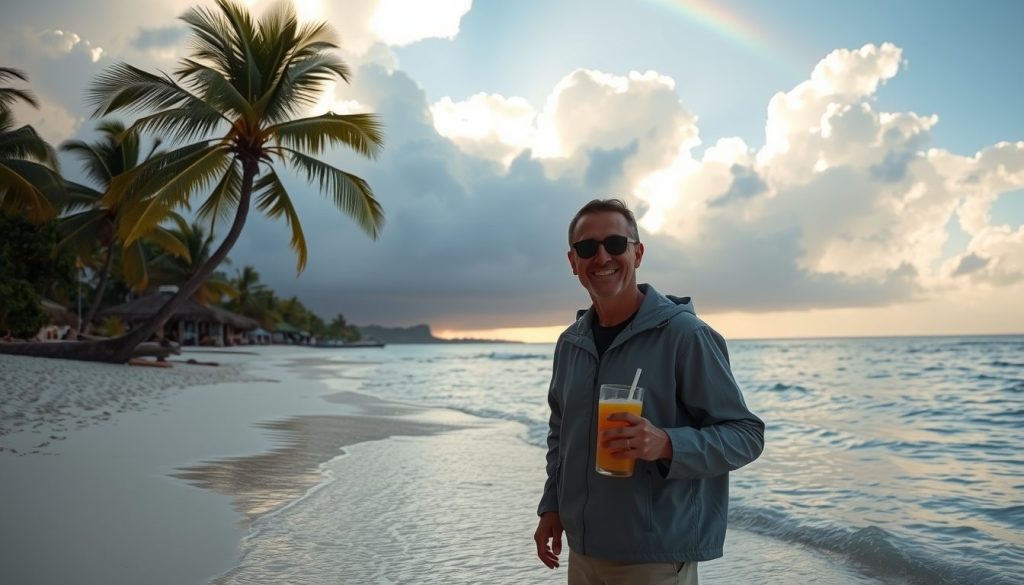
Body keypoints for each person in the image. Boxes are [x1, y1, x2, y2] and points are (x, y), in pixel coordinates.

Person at [534, 198, 765, 584]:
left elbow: (746, 434)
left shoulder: (686, 336)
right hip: (584, 551)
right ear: (573, 262)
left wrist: (667, 444)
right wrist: (551, 507)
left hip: (654, 559)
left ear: (637, 253)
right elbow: (562, 435)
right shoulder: (571, 343)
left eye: (615, 244)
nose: (602, 256)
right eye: (587, 248)